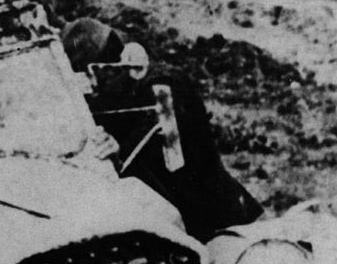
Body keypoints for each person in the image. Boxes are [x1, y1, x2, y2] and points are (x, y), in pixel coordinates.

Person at [60, 16, 262, 243]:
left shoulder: (163, 86)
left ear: (106, 67)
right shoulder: (125, 86)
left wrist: (119, 149)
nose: (93, 88)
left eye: (92, 77)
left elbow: (159, 138)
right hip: (182, 219)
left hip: (218, 223)